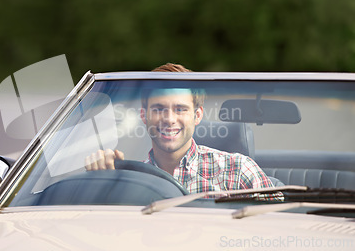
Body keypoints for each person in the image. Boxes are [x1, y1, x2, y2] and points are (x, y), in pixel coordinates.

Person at [85, 63, 277, 195]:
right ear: (144, 115)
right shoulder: (128, 181)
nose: (169, 119)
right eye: (159, 109)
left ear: (198, 115)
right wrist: (100, 181)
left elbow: (280, 230)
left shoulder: (238, 171)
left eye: (180, 109)